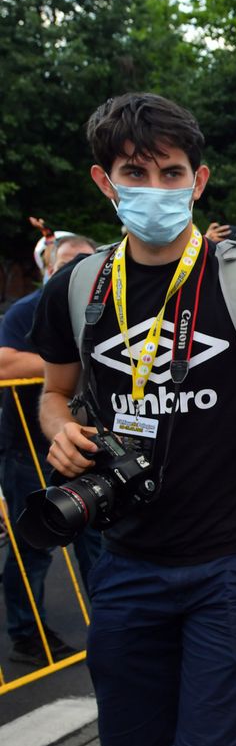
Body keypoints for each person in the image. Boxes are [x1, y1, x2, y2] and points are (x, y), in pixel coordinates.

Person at [31, 92, 236, 746]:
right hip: (126, 560)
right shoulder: (77, 288)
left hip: (229, 560)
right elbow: (53, 393)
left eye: (172, 173)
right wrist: (58, 430)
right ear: (104, 182)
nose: (156, 189)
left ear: (198, 181)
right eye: (135, 174)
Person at [2, 234, 101, 667]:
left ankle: (113, 624)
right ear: (49, 268)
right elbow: (5, 362)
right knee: (34, 547)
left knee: (98, 541)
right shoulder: (29, 308)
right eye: (65, 262)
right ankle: (27, 634)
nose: (73, 269)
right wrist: (70, 358)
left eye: (83, 261)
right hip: (29, 448)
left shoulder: (106, 306)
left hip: (88, 448)